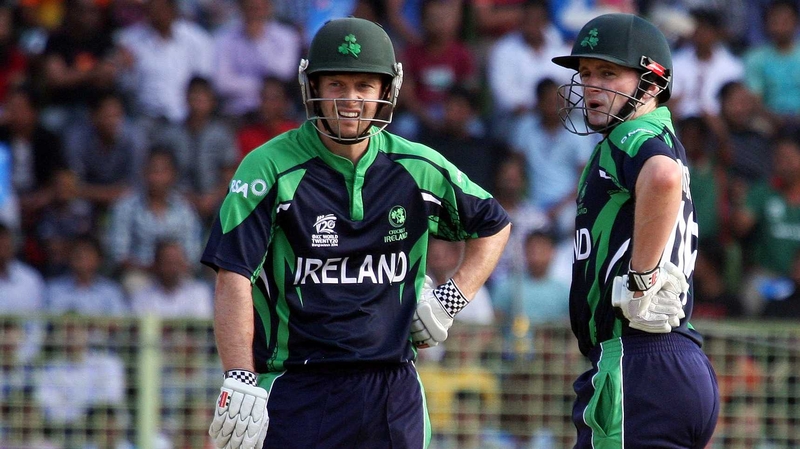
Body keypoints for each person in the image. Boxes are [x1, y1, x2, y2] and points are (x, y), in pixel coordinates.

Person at [201, 17, 510, 449]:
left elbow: (494, 225)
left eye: (365, 86)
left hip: (392, 387)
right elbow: (233, 274)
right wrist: (239, 375)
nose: (351, 99)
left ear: (387, 91)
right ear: (312, 87)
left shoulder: (416, 166)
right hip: (297, 385)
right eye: (337, 85)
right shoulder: (267, 167)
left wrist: (450, 298)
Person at [551, 13, 719, 447]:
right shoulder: (661, 135)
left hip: (636, 363)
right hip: (676, 362)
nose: (590, 86)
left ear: (651, 82)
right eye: (586, 74)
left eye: (608, 73)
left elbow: (662, 177)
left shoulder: (631, 135)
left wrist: (641, 279)